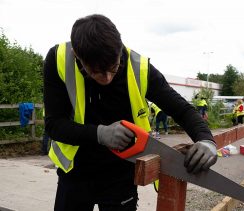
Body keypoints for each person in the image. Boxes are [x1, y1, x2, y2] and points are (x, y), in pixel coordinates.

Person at [43, 14, 217, 211]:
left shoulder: (139, 67)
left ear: (119, 50)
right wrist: (100, 134)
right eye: (96, 72)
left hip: (121, 175)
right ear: (77, 55)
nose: (107, 78)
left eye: (113, 68)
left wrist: (206, 141)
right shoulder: (58, 59)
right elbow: (54, 125)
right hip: (75, 173)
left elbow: (182, 110)